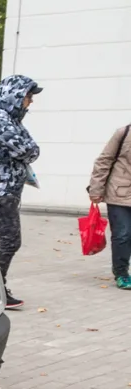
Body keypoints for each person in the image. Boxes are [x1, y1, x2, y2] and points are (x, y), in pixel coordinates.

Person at [0, 75, 42, 310]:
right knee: (11, 241)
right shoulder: (0, 120)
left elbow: (29, 148)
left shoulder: (10, 120)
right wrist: (30, 150)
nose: (30, 102)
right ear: (14, 95)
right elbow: (29, 149)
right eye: (28, 96)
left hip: (1, 191)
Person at [87, 123, 131, 290]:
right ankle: (121, 273)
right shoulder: (124, 133)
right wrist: (96, 189)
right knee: (123, 234)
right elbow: (104, 161)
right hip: (119, 193)